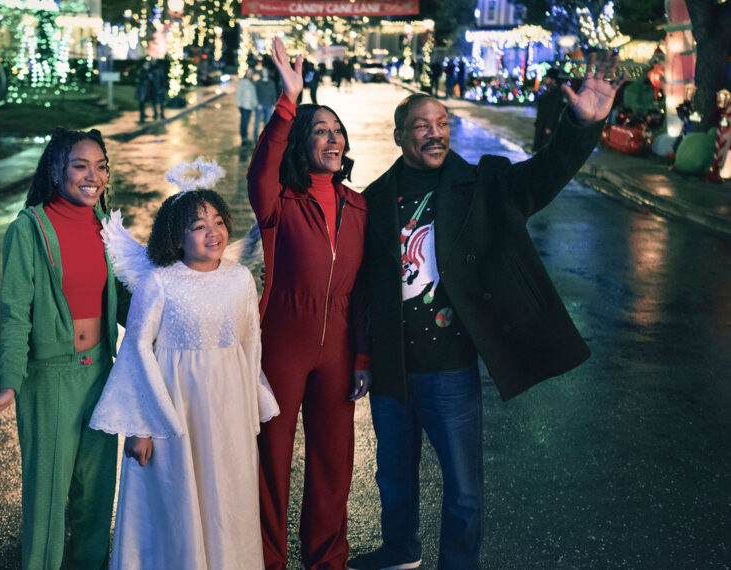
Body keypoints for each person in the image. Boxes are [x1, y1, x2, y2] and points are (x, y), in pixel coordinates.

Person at [348, 52, 625, 570]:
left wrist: (582, 125)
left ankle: (459, 564)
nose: (435, 134)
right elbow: (359, 287)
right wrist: (359, 356)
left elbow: (544, 175)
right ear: (399, 136)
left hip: (449, 367)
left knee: (464, 488)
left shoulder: (485, 186)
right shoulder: (374, 200)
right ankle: (400, 550)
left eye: (442, 124)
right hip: (392, 367)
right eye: (421, 126)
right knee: (393, 474)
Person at [90, 162, 280, 569]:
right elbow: (137, 348)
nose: (212, 232)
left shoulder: (240, 279)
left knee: (225, 492)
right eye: (198, 226)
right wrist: (142, 426)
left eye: (217, 221)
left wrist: (249, 409)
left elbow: (250, 343)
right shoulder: (159, 282)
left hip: (228, 406)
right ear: (176, 238)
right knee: (179, 494)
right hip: (173, 408)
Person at [0, 128, 129, 570]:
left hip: (101, 375)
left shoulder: (107, 226)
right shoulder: (29, 230)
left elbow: (128, 299)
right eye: (81, 166)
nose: (93, 176)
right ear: (57, 171)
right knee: (48, 500)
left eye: (101, 166)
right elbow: (15, 311)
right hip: (49, 378)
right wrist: (10, 383)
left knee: (95, 498)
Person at [248, 37, 370, 570]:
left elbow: (366, 289)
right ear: (302, 141)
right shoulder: (280, 201)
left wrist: (363, 357)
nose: (333, 138)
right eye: (320, 131)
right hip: (283, 340)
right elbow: (262, 171)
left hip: (340, 344)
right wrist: (287, 102)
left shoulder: (358, 205)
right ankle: (269, 560)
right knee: (271, 459)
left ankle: (327, 560)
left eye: (338, 131)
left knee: (332, 462)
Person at [534, 67, 566, 151]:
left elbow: (555, 111)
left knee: (545, 148)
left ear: (553, 80)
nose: (545, 80)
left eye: (547, 78)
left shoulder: (556, 93)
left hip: (547, 126)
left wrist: (549, 127)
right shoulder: (548, 91)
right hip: (541, 123)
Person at [254, 69, 279, 138]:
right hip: (260, 105)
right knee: (257, 123)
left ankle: (265, 138)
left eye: (266, 72)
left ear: (268, 73)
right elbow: (255, 93)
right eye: (263, 72)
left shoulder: (271, 83)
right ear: (261, 73)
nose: (265, 73)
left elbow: (274, 94)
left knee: (267, 123)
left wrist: (274, 104)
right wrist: (258, 103)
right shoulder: (258, 83)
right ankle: (255, 138)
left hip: (269, 105)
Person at [237, 70, 259, 145]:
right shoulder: (242, 82)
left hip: (250, 106)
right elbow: (238, 93)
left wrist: (255, 104)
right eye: (248, 73)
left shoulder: (253, 83)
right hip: (244, 105)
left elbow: (254, 94)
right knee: (244, 122)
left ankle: (245, 136)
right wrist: (239, 104)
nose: (249, 74)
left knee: (247, 122)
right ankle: (243, 137)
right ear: (245, 74)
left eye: (250, 73)